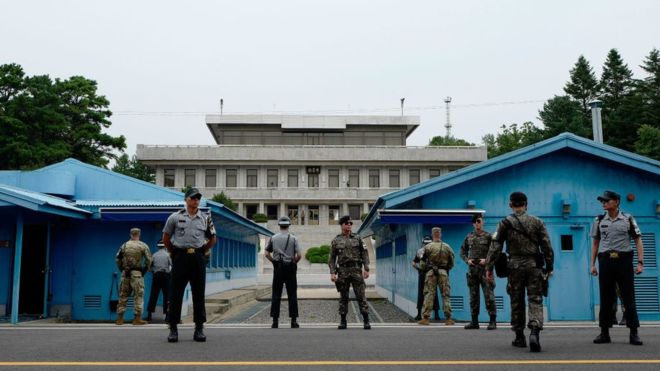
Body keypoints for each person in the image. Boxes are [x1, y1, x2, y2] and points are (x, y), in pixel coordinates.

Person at [486, 192, 554, 352]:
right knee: (535, 299)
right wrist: (549, 266)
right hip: (533, 266)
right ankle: (535, 331)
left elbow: (495, 247)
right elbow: (547, 246)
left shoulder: (504, 223)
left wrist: (489, 268)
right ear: (526, 204)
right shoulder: (537, 222)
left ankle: (519, 336)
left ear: (511, 205)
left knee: (516, 301)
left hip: (514, 266)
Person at [163, 187, 217, 343]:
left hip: (197, 258)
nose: (196, 200)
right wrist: (173, 252)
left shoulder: (206, 218)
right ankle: (173, 329)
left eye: (198, 198)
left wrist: (202, 251)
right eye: (193, 198)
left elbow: (212, 238)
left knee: (199, 294)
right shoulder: (175, 217)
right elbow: (166, 237)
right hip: (180, 257)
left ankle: (199, 329)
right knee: (175, 294)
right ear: (186, 200)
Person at [590, 190, 644, 346]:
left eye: (607, 201)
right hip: (606, 260)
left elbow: (638, 240)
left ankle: (634, 333)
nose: (603, 203)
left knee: (628, 297)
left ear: (616, 202)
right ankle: (604, 332)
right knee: (606, 297)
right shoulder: (599, 220)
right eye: (602, 201)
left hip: (624, 260)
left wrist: (640, 262)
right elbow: (595, 243)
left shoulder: (628, 219)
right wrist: (592, 264)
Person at [329, 215, 371, 330]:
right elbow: (332, 258)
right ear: (342, 225)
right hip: (343, 271)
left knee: (361, 296)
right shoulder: (336, 240)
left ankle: (366, 321)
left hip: (357, 270)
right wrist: (333, 273)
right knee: (343, 297)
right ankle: (343, 321)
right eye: (347, 223)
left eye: (351, 223)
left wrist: (366, 269)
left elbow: (365, 254)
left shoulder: (358, 238)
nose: (349, 225)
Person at [460, 214, 497, 330]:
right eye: (475, 222)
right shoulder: (469, 237)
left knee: (489, 296)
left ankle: (492, 321)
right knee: (473, 297)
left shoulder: (489, 236)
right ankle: (474, 322)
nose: (477, 223)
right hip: (472, 271)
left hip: (485, 270)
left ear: (483, 222)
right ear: (473, 224)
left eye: (479, 221)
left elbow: (495, 251)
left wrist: (486, 260)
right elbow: (462, 251)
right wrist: (468, 261)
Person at [265, 216, 302, 329]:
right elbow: (299, 255)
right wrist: (294, 262)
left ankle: (275, 321)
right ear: (289, 225)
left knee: (276, 294)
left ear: (279, 225)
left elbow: (266, 253)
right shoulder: (294, 238)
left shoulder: (273, 238)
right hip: (290, 267)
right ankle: (293, 321)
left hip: (278, 267)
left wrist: (274, 262)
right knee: (292, 294)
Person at [115, 228, 152, 326]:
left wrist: (122, 269)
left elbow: (117, 258)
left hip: (125, 273)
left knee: (123, 295)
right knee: (138, 296)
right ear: (139, 234)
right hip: (137, 274)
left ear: (130, 234)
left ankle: (120, 319)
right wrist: (144, 271)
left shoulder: (124, 245)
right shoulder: (143, 245)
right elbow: (149, 260)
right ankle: (137, 319)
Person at [417, 227, 455, 326]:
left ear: (433, 234)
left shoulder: (427, 247)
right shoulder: (447, 247)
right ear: (440, 234)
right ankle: (448, 318)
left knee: (429, 294)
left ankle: (425, 318)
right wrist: (445, 269)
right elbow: (451, 262)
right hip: (443, 273)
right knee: (445, 295)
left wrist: (427, 268)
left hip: (430, 274)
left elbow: (422, 264)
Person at [412, 235, 439, 321]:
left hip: (423, 274)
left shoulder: (420, 251)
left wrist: (418, 270)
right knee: (433, 292)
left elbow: (413, 263)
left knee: (421, 293)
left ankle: (419, 314)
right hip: (431, 273)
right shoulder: (436, 251)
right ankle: (436, 315)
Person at [145, 240, 171, 322]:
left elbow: (149, 267)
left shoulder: (154, 255)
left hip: (156, 276)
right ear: (165, 246)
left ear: (158, 246)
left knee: (153, 295)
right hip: (166, 276)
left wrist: (154, 270)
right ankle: (167, 316)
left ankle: (149, 315)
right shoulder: (168, 255)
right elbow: (172, 266)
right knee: (167, 295)